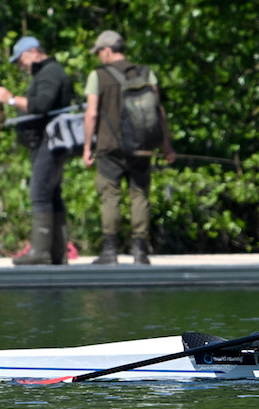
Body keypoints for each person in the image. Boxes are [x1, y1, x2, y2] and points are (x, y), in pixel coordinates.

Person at [82, 30, 175, 265]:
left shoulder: (98, 76)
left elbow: (91, 114)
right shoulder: (146, 73)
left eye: (100, 52)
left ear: (107, 50)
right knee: (140, 196)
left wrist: (86, 147)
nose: (99, 56)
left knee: (110, 196)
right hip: (142, 147)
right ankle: (140, 252)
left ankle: (110, 252)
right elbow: (159, 111)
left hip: (109, 147)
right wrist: (166, 145)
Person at [0, 36, 74, 266]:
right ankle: (58, 252)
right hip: (47, 142)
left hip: (48, 142)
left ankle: (41, 252)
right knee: (52, 195)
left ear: (33, 52)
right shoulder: (46, 73)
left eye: (20, 60)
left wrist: (10, 100)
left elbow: (42, 105)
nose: (20, 66)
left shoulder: (50, 72)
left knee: (39, 193)